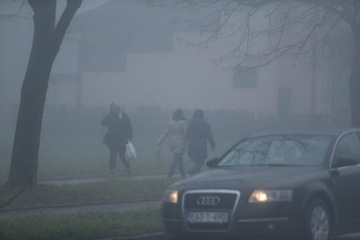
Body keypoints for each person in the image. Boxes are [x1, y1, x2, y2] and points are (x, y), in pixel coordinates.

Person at [101, 102, 133, 178]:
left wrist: (130, 137)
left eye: (115, 107)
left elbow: (129, 127)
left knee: (122, 156)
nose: (113, 108)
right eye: (112, 107)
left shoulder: (124, 116)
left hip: (122, 140)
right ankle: (111, 173)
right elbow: (103, 124)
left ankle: (128, 169)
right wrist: (107, 116)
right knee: (112, 156)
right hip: (111, 140)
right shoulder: (109, 117)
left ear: (118, 108)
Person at [157, 108, 187, 178]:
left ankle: (183, 175)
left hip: (172, 143)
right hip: (180, 143)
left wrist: (159, 141)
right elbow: (186, 135)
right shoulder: (184, 123)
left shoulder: (171, 122)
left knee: (179, 160)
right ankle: (170, 175)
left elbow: (165, 133)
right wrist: (188, 144)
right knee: (175, 159)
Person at [187, 109, 215, 176]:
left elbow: (187, 134)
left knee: (197, 162)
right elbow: (209, 135)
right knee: (201, 162)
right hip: (201, 146)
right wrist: (213, 144)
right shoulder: (205, 124)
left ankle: (196, 177)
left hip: (192, 145)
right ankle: (192, 172)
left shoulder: (190, 124)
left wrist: (189, 142)